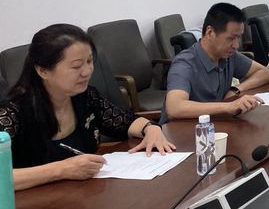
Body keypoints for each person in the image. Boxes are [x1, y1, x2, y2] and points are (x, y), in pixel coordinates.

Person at [0, 24, 175, 191]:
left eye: (90, 61)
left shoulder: (85, 97)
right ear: (43, 71)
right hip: (31, 206)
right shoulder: (11, 114)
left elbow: (127, 122)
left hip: (83, 197)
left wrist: (150, 129)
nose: (87, 71)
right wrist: (61, 169)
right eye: (76, 66)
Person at [163, 3, 269, 122]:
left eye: (238, 38)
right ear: (210, 33)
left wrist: (236, 89)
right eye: (231, 38)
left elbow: (264, 72)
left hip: (215, 123)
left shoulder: (229, 55)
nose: (236, 45)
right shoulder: (184, 64)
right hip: (181, 128)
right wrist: (228, 106)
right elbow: (175, 108)